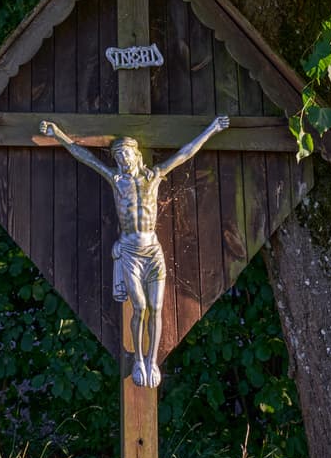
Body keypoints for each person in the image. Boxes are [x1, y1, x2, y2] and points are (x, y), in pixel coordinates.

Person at [37, 115, 230, 387]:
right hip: (129, 250)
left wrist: (212, 129)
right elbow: (85, 157)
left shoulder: (155, 176)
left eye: (127, 155)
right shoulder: (116, 180)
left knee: (157, 307)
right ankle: (138, 358)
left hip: (152, 249)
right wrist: (58, 134)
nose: (123, 161)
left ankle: (152, 360)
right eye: (119, 158)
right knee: (139, 307)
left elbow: (185, 153)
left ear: (137, 156)